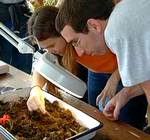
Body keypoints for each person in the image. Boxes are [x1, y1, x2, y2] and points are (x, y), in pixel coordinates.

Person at [55, 0, 148, 129]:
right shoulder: (126, 11)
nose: (79, 53)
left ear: (94, 25)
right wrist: (126, 94)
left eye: (76, 42)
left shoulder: (115, 31)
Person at [0, 0, 33, 74]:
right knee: (3, 61)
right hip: (4, 16)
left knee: (24, 57)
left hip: (23, 12)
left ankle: (23, 83)